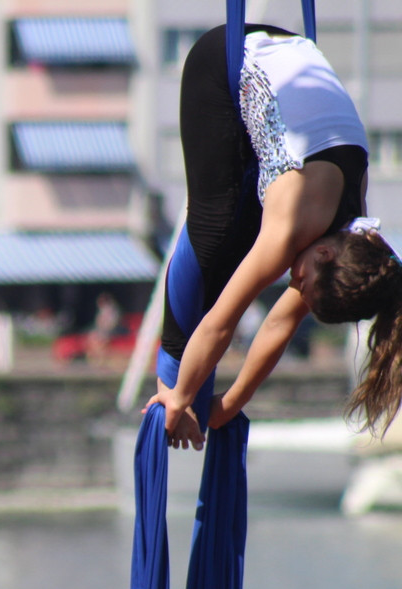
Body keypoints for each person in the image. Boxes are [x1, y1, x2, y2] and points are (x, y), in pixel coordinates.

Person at [147, 23, 402, 446]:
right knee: (215, 235)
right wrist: (179, 397)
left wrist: (227, 405)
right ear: (322, 256)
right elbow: (219, 325)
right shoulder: (293, 227)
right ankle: (166, 369)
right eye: (302, 283)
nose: (293, 283)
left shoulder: (355, 241)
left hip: (284, 46)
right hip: (224, 58)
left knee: (242, 227)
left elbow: (279, 326)